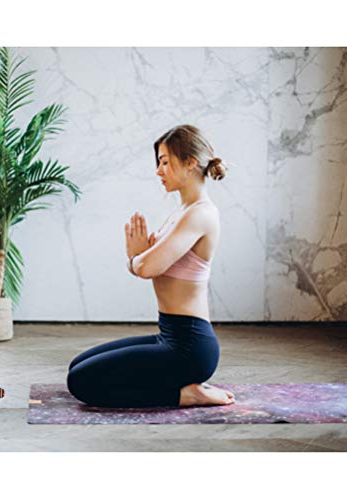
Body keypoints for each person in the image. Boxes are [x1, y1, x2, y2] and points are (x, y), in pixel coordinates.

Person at [67, 124, 235, 408]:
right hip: (169, 335)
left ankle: (184, 395)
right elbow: (147, 263)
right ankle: (178, 386)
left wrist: (135, 259)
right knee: (78, 365)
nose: (159, 171)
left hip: (190, 347)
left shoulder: (201, 214)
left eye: (165, 162)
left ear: (190, 162)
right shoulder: (182, 212)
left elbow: (146, 267)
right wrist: (139, 259)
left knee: (80, 382)